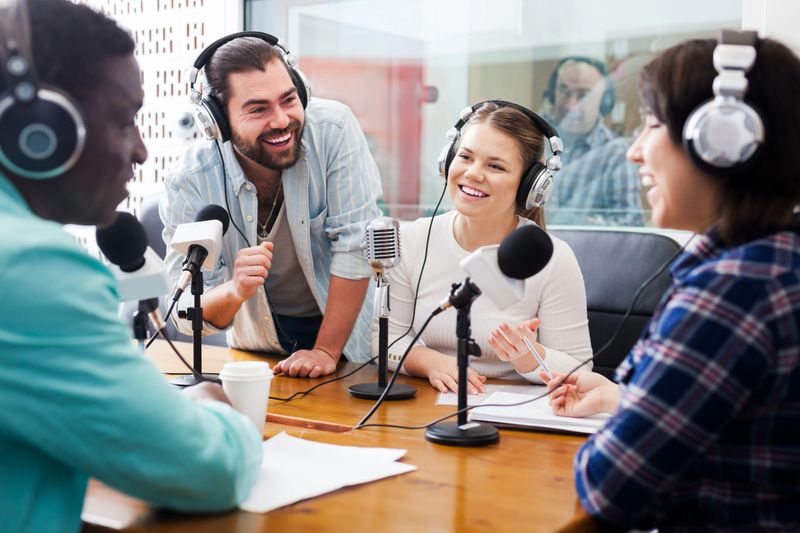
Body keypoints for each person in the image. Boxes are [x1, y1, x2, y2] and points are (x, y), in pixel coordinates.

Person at [0, 1, 262, 532]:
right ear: (42, 130)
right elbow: (204, 469)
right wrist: (215, 411)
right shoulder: (29, 268)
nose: (141, 152)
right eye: (124, 121)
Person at [544, 33, 800, 530]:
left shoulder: (732, 292)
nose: (634, 151)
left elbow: (608, 485)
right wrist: (624, 398)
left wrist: (629, 417)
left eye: (653, 124)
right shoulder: (779, 260)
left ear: (722, 142)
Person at [160, 34, 382, 379]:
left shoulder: (333, 129)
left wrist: (325, 350)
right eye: (258, 109)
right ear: (216, 120)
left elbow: (356, 244)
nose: (281, 120)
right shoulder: (189, 181)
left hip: (349, 340)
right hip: (259, 350)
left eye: (288, 99)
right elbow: (187, 312)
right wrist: (234, 291)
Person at [380, 101, 593, 394]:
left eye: (495, 166)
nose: (473, 173)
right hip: (426, 409)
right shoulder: (412, 240)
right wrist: (430, 362)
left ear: (530, 186)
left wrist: (529, 357)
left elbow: (580, 370)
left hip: (515, 416)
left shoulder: (554, 259)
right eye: (466, 157)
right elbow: (384, 341)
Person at [541, 56, 643, 226]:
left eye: (583, 95)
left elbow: (632, 226)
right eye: (564, 91)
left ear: (604, 102)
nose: (571, 105)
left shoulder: (615, 154)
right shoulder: (534, 138)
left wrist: (578, 224)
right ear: (552, 95)